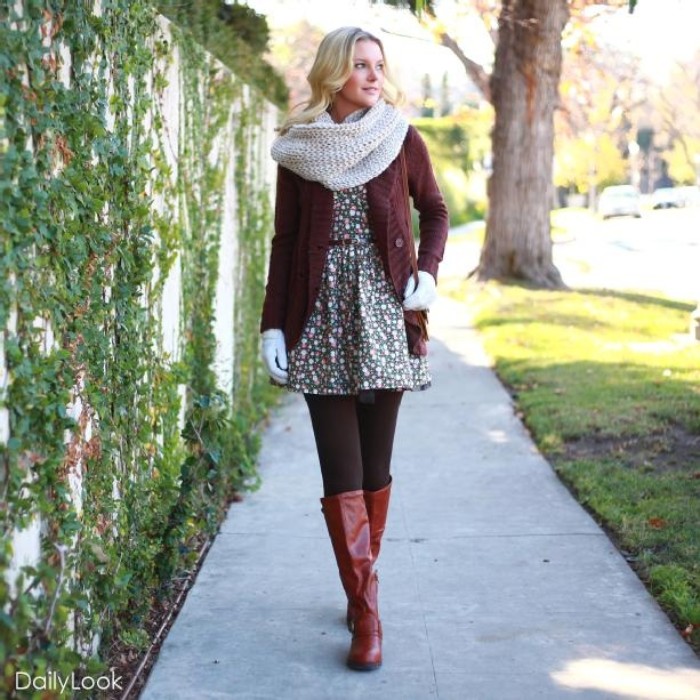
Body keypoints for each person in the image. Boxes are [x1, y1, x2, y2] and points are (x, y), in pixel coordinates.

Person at [259, 26, 448, 672]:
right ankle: (367, 614)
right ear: (334, 72)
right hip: (319, 320)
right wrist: (271, 326)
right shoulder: (300, 150)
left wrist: (426, 273)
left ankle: (360, 588)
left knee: (374, 470)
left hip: (386, 316)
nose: (373, 76)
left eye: (378, 65)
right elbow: (285, 244)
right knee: (340, 473)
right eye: (360, 65)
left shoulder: (399, 138)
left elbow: (436, 210)